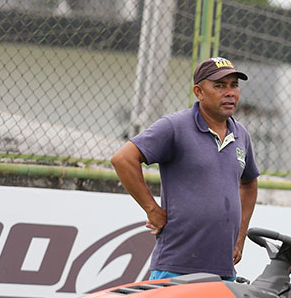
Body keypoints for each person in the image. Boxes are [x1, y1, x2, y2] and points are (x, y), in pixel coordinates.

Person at [111, 57, 259, 281]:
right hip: (176, 266)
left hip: (223, 270)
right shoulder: (175, 126)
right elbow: (123, 159)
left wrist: (241, 236)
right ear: (199, 92)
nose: (230, 93)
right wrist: (152, 209)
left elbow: (248, 183)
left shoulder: (241, 135)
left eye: (234, 85)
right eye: (219, 86)